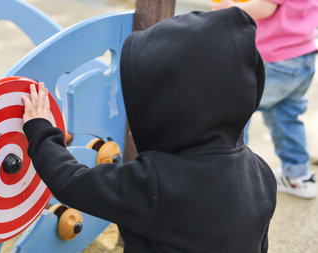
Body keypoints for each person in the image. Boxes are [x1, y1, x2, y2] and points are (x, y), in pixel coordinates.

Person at [22, 8, 276, 252]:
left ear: (166, 107)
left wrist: (40, 130)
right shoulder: (261, 173)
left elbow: (73, 183)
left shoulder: (155, 184)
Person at [212, 0, 318, 199]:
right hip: (304, 56)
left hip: (275, 59)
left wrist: (230, 8)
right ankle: (298, 177)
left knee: (239, 109)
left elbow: (266, 6)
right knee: (286, 115)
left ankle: (234, 177)